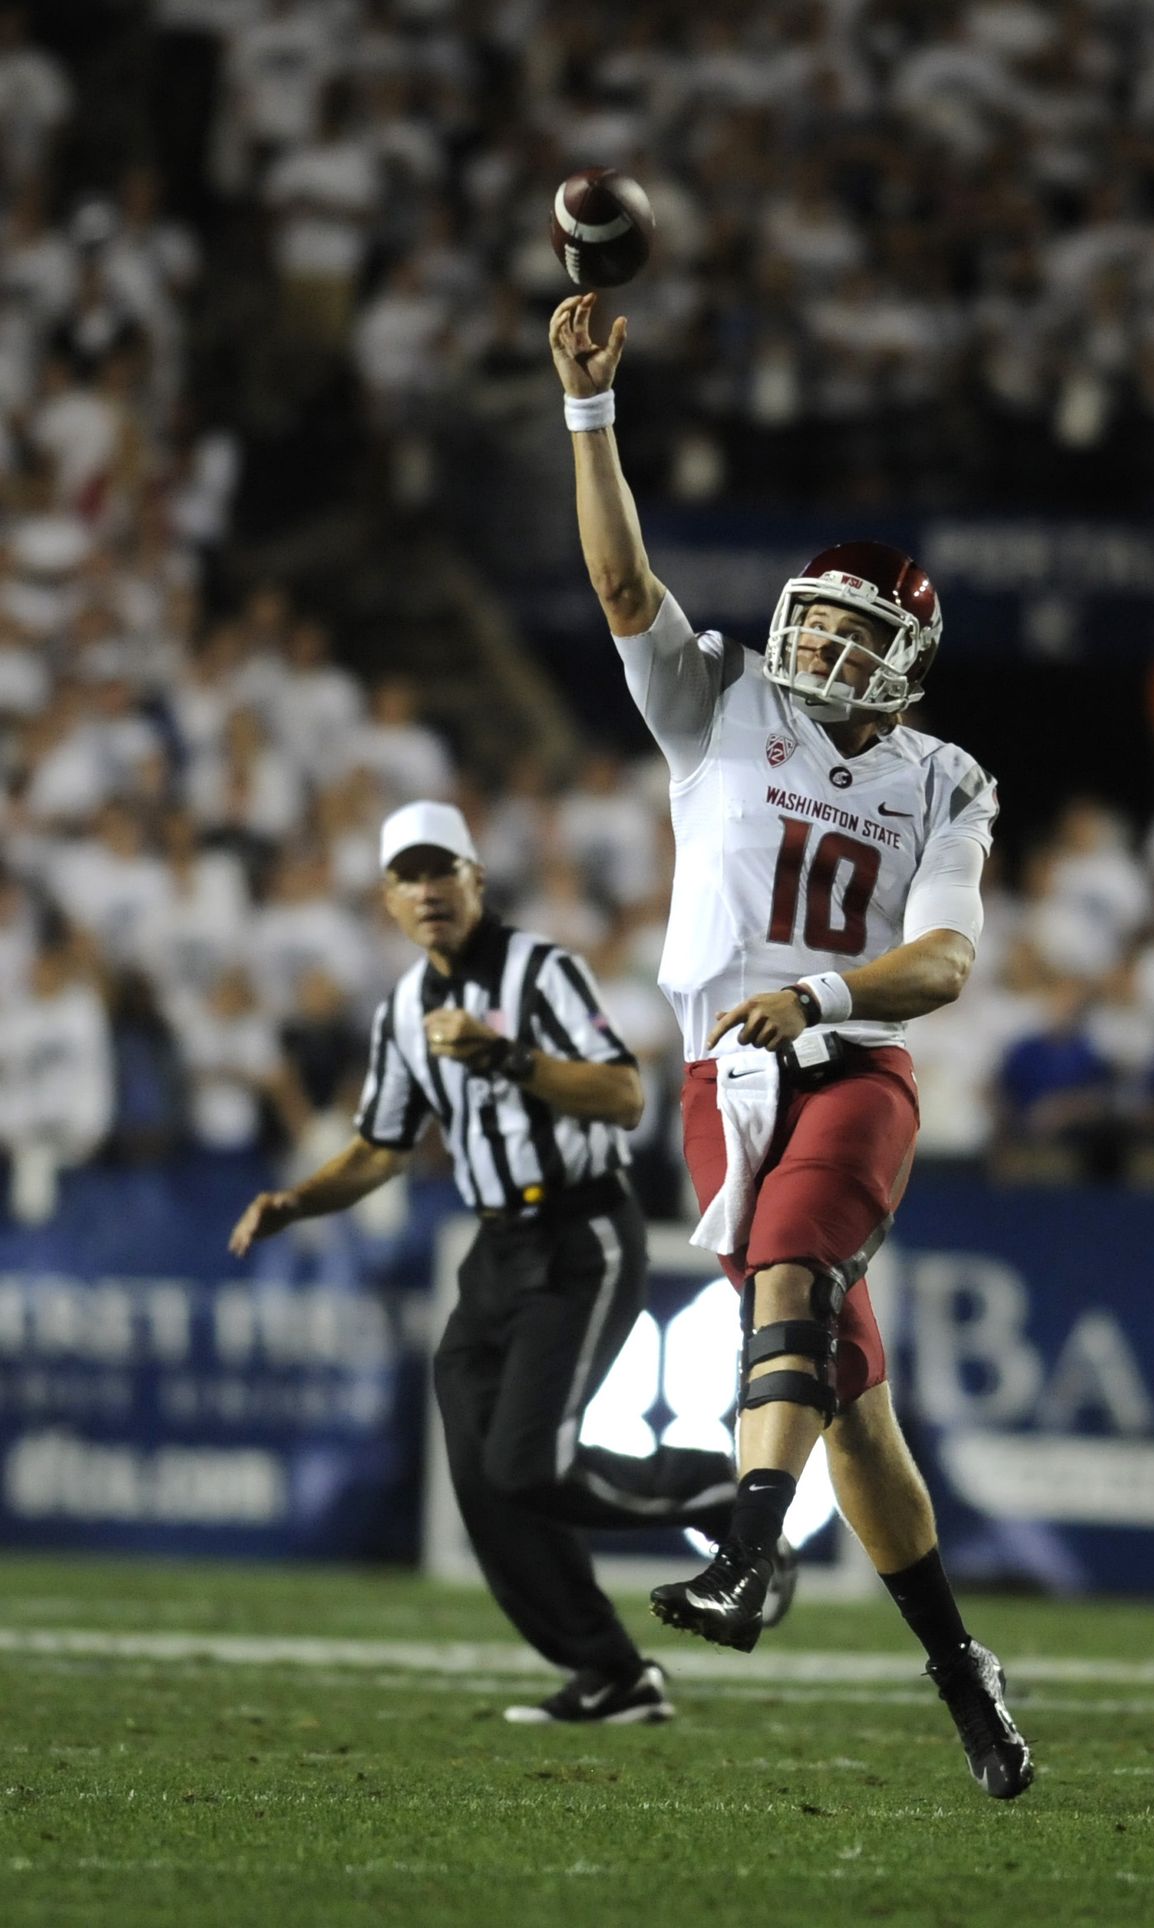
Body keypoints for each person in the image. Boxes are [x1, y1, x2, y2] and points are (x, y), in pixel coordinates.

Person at [547, 290, 1034, 1800]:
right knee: (858, 1411)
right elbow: (626, 582)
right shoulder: (720, 711)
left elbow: (945, 959)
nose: (820, 638)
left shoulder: (947, 778)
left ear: (906, 656)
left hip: (850, 1066)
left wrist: (823, 999)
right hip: (720, 1076)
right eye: (812, 614)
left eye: (853, 627)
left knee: (796, 1261)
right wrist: (590, 413)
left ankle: (751, 1554)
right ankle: (962, 1670)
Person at [230, 798, 780, 1725]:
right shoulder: (404, 1008)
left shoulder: (540, 972)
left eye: (441, 869)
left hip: (582, 1234)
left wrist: (509, 1058)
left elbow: (622, 1094)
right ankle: (611, 1672)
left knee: (528, 1466)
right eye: (407, 876)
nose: (427, 890)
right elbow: (378, 1149)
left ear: (476, 878)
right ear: (388, 898)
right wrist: (299, 1200)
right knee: (488, 1485)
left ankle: (721, 1496)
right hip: (495, 1250)